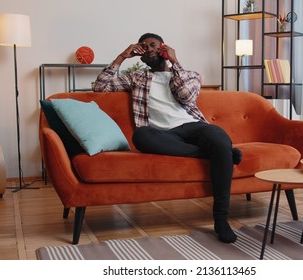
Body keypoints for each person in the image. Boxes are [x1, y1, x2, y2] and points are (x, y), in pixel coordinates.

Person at [93, 33, 242, 243]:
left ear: (163, 47)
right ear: (140, 55)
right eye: (143, 47)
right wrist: (121, 57)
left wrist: (175, 61)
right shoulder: (136, 77)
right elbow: (100, 86)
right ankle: (222, 154)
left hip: (193, 127)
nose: (148, 49)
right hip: (161, 134)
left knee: (218, 135)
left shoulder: (190, 74)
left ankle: (220, 219)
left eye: (152, 44)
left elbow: (186, 96)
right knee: (141, 136)